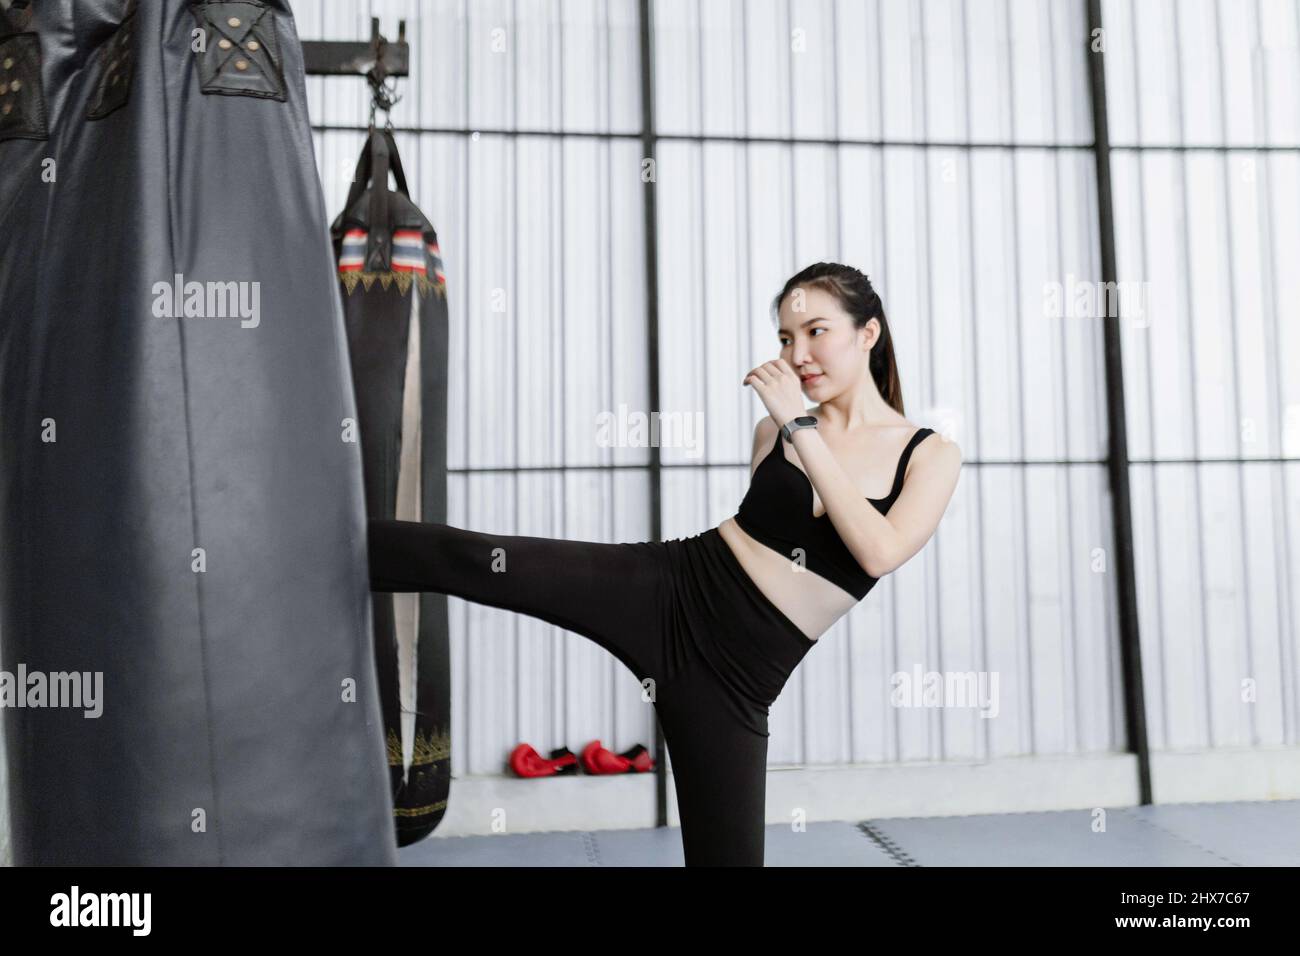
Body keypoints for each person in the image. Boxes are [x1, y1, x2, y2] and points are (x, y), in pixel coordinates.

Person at [368, 262, 963, 865]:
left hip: (735, 683)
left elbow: (878, 550)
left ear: (869, 333)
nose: (797, 353)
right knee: (474, 559)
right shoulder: (772, 431)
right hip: (668, 588)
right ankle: (310, 549)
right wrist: (793, 427)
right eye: (785, 338)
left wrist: (801, 426)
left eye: (815, 331)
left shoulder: (930, 454)